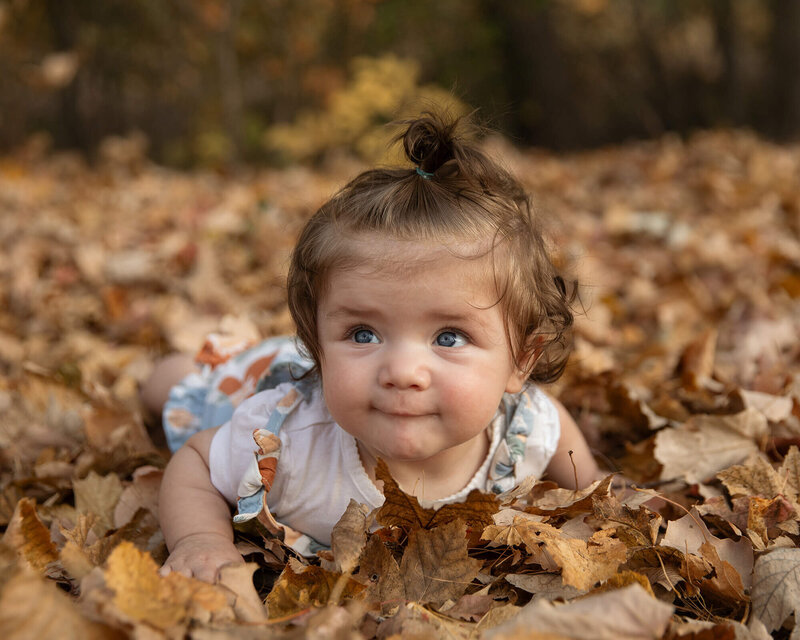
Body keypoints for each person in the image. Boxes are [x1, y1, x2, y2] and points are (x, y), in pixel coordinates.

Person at [151, 112, 601, 583]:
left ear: (521, 362)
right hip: (255, 385)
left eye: (449, 337)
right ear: (318, 340)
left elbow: (554, 425)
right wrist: (200, 539)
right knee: (187, 389)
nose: (403, 371)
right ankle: (187, 367)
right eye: (363, 333)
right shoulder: (286, 444)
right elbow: (197, 462)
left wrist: (589, 487)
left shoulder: (519, 432)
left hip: (316, 368)